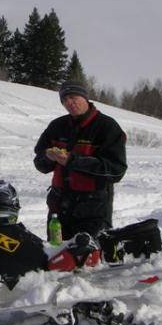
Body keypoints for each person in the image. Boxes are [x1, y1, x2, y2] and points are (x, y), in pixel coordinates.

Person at [33, 81, 127, 240]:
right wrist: (48, 157)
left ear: (85, 97)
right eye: (64, 100)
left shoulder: (106, 126)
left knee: (89, 259)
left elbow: (115, 170)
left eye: (73, 97)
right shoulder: (57, 126)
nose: (69, 103)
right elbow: (40, 163)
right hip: (59, 205)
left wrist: (72, 160)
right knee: (56, 255)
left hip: (92, 208)